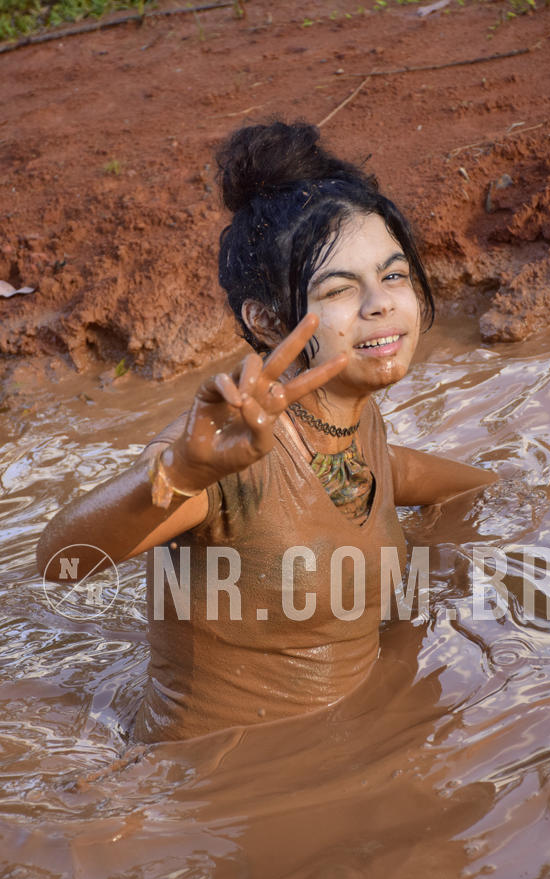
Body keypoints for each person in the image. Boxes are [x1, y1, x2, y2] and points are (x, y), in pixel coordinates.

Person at [37, 121, 496, 742]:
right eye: (339, 289)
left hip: (342, 750)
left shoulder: (352, 413)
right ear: (267, 319)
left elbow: (399, 473)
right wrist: (178, 474)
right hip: (223, 793)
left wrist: (509, 490)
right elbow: (62, 564)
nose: (382, 304)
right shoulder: (228, 448)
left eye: (392, 277)